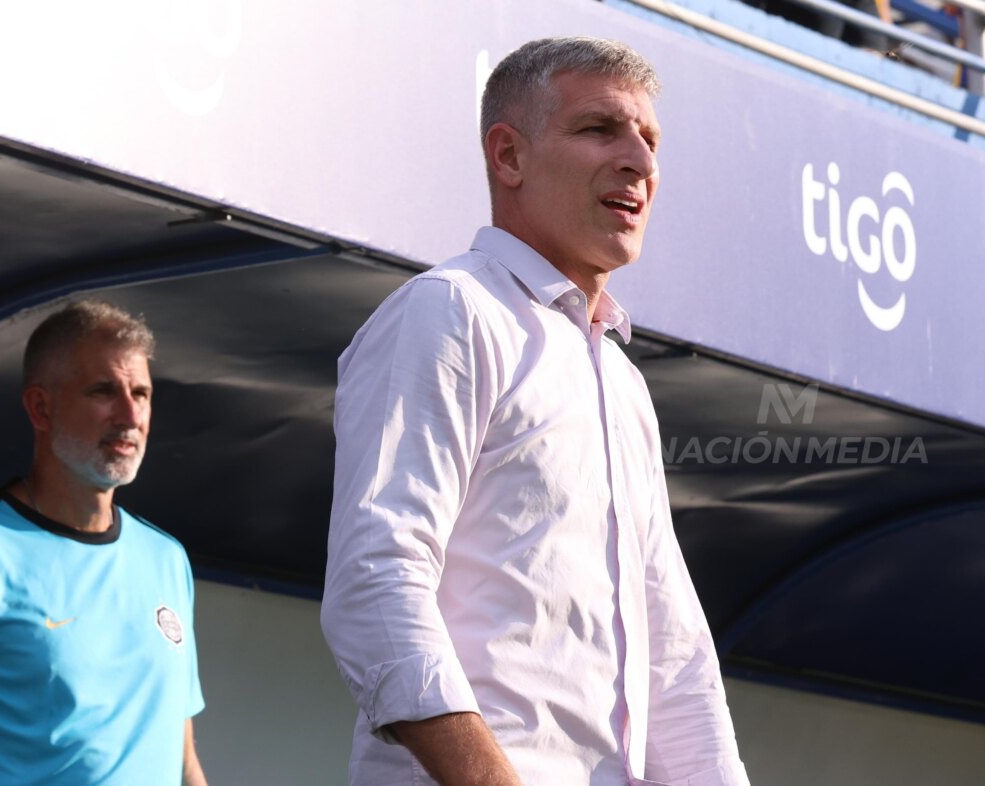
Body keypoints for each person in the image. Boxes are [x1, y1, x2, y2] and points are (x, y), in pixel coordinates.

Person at [321, 37, 749, 786]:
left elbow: (675, 658)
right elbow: (375, 582)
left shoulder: (621, 380)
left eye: (650, 141)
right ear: (508, 157)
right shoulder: (448, 311)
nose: (640, 164)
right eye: (599, 130)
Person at [0, 300, 208, 786]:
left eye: (142, 393)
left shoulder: (166, 559)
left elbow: (183, 763)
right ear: (40, 407)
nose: (130, 414)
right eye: (104, 391)